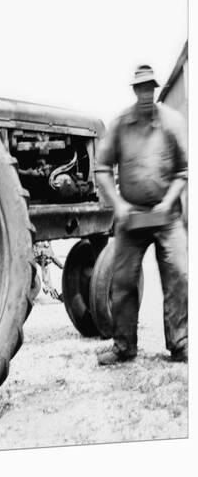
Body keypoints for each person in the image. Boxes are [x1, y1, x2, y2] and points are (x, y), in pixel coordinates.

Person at [95, 64, 188, 365]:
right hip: (132, 216)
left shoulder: (172, 122)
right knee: (122, 280)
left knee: (179, 274)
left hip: (168, 216)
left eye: (151, 87)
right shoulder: (121, 124)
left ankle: (180, 343)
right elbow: (102, 169)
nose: (146, 93)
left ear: (156, 89)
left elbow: (184, 170)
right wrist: (119, 205)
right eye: (141, 88)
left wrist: (168, 201)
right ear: (135, 91)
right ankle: (124, 346)